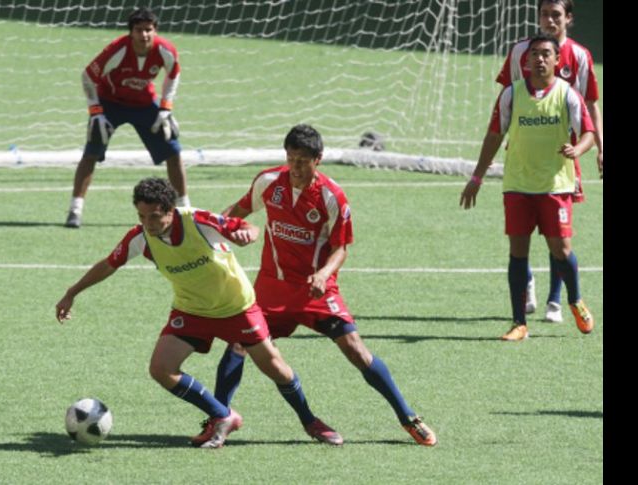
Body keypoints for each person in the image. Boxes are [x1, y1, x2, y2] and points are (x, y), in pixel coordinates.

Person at [55, 177, 339, 448]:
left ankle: (310, 421)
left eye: (154, 216)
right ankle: (223, 415)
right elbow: (108, 264)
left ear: (170, 210)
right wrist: (72, 292)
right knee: (161, 369)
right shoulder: (140, 237)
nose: (147, 223)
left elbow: (247, 227)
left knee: (276, 369)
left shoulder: (198, 221)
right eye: (142, 216)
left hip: (236, 307)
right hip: (191, 310)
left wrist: (245, 235)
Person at [210, 124, 437, 447]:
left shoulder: (332, 197)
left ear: (319, 159)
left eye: (303, 161)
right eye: (291, 159)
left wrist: (323, 274)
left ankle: (407, 416)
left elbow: (341, 247)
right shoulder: (268, 181)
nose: (296, 168)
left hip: (316, 290)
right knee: (238, 344)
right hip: (272, 288)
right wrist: (216, 231)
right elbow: (239, 209)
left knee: (356, 350)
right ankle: (217, 418)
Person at [460, 33, 596, 342]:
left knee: (561, 250)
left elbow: (587, 131)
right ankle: (519, 323)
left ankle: (574, 300)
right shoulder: (512, 94)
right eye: (534, 53)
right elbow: (494, 135)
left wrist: (581, 150)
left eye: (546, 53)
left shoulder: (567, 94)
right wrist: (477, 177)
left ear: (557, 60)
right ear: (526, 60)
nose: (540, 58)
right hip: (518, 185)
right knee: (517, 252)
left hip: (555, 186)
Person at [496, 0, 603, 322]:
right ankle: (526, 284)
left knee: (558, 237)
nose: (549, 20)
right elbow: (510, 95)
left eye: (556, 15)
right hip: (524, 158)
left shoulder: (580, 56)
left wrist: (599, 145)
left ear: (568, 18)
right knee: (521, 231)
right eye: (544, 14)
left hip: (563, 158)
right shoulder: (520, 52)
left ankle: (556, 301)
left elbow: (590, 103)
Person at [65, 7, 189, 228]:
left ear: (155, 30)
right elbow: (88, 76)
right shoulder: (117, 50)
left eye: (148, 30)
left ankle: (184, 208)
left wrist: (166, 107)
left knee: (173, 150)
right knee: (92, 152)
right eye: (139, 30)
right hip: (110, 104)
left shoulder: (166, 50)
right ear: (131, 32)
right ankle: (75, 209)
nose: (144, 35)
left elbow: (174, 74)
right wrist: (95, 111)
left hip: (144, 104)